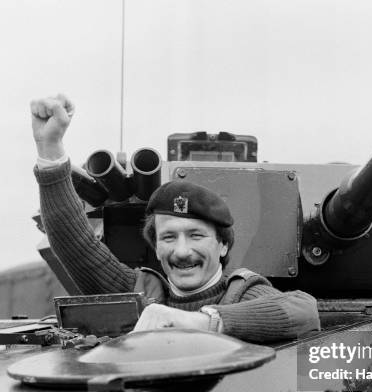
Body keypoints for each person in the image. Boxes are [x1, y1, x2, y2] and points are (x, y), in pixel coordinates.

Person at [31, 94, 320, 343]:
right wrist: (50, 147)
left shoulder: (242, 293)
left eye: (196, 235)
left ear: (222, 246)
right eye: (169, 237)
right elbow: (76, 245)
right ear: (156, 247)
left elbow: (302, 311)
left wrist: (204, 321)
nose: (182, 251)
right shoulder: (141, 290)